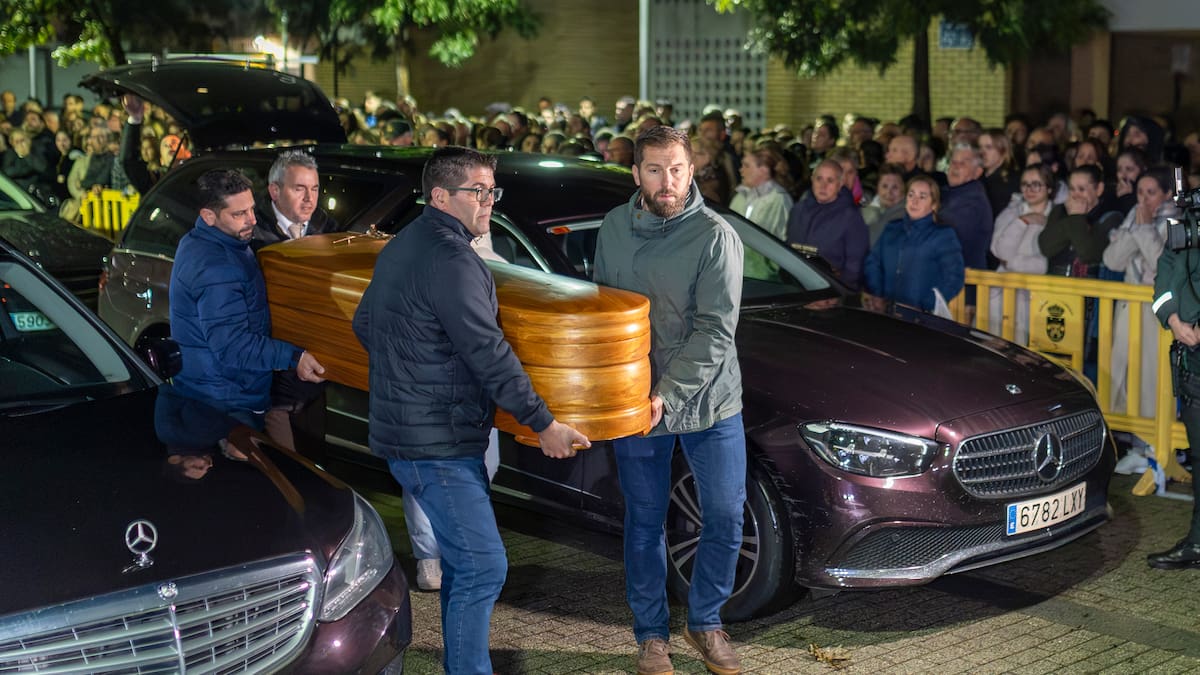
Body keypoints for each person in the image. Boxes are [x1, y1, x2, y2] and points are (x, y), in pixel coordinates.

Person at [352, 146, 589, 674]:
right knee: (484, 565)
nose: (488, 202)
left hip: (417, 433)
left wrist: (412, 374)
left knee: (465, 563)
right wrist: (543, 423)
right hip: (436, 441)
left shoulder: (405, 244)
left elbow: (364, 325)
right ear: (440, 196)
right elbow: (489, 354)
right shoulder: (455, 260)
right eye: (476, 192)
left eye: (491, 191)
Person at [592, 126, 746, 675]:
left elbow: (714, 332)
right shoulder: (612, 228)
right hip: (637, 402)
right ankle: (652, 635)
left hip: (708, 399)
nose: (667, 181)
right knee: (645, 520)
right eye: (655, 169)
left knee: (726, 515)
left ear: (691, 170)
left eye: (677, 169)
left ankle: (706, 622)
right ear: (636, 174)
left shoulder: (715, 236)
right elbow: (604, 311)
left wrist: (666, 393)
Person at [169, 169, 327, 430]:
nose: (252, 220)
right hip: (226, 402)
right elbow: (232, 346)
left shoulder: (209, 242)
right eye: (239, 214)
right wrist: (293, 357)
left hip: (219, 391)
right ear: (208, 216)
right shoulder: (216, 267)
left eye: (252, 209)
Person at [1147, 207, 1200, 570]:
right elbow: (1162, 283)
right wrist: (1174, 319)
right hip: (1190, 362)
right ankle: (1197, 541)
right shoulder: (1185, 229)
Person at [1103, 167, 1178, 417]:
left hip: (1158, 314)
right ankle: (1133, 441)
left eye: (1151, 192)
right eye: (1140, 192)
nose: (1144, 199)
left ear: (1168, 194)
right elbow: (1112, 260)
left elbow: (1162, 266)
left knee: (1151, 377)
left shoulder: (1178, 222)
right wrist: (1136, 228)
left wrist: (1144, 230)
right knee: (1124, 374)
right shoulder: (1133, 218)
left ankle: (1153, 448)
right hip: (1128, 310)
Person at [863, 175, 965, 314]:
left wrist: (927, 305)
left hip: (920, 317)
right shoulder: (892, 228)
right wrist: (878, 294)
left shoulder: (943, 235)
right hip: (887, 313)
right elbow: (873, 262)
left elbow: (954, 277)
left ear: (934, 204)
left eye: (922, 197)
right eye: (911, 195)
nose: (914, 201)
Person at [989, 164, 1056, 344]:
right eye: (1025, 184)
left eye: (1036, 184)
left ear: (1049, 188)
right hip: (1003, 291)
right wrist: (1024, 221)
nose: (1029, 189)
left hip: (1038, 295)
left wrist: (1012, 263)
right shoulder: (1011, 212)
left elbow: (1045, 263)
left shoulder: (1057, 216)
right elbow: (999, 250)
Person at [786, 159, 870, 290]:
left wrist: (840, 290)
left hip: (831, 291)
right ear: (812, 179)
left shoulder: (851, 216)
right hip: (796, 286)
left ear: (840, 183)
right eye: (819, 179)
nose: (823, 186)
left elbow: (855, 264)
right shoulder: (797, 210)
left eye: (830, 181)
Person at [729, 146, 793, 241]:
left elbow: (780, 238)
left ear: (763, 170)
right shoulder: (742, 195)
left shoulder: (779, 199)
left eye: (746, 166)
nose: (741, 170)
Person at [861, 163, 906, 244]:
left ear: (904, 190)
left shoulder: (906, 216)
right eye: (884, 186)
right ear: (878, 188)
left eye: (895, 187)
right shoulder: (866, 209)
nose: (889, 192)